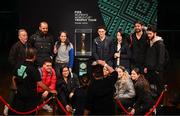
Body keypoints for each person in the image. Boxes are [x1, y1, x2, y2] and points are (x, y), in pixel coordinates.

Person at [8, 47, 57, 115]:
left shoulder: (18, 64)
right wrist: (50, 90)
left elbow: (13, 78)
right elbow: (40, 83)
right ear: (34, 56)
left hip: (19, 95)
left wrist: (16, 88)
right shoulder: (34, 69)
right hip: (30, 98)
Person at [4, 29, 30, 116]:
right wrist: (18, 69)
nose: (25, 37)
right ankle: (7, 106)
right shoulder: (15, 46)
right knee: (14, 88)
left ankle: (23, 106)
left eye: (26, 35)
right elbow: (11, 60)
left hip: (27, 70)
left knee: (24, 88)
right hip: (19, 70)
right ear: (19, 37)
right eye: (23, 35)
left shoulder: (28, 45)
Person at [144, 25, 166, 96]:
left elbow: (161, 59)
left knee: (159, 89)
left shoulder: (160, 44)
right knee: (149, 88)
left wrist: (157, 70)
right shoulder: (149, 42)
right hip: (149, 70)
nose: (148, 35)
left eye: (150, 34)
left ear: (155, 33)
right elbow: (148, 56)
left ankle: (159, 105)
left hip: (157, 71)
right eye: (148, 34)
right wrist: (146, 67)